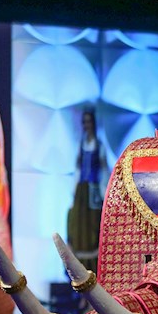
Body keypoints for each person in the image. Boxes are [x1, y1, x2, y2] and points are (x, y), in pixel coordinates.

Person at [66, 107, 108, 257]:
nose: (86, 125)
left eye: (89, 122)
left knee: (93, 224)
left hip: (94, 189)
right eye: (84, 122)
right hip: (81, 189)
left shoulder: (99, 145)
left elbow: (103, 169)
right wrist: (73, 189)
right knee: (79, 224)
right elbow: (78, 168)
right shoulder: (80, 145)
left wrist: (104, 192)